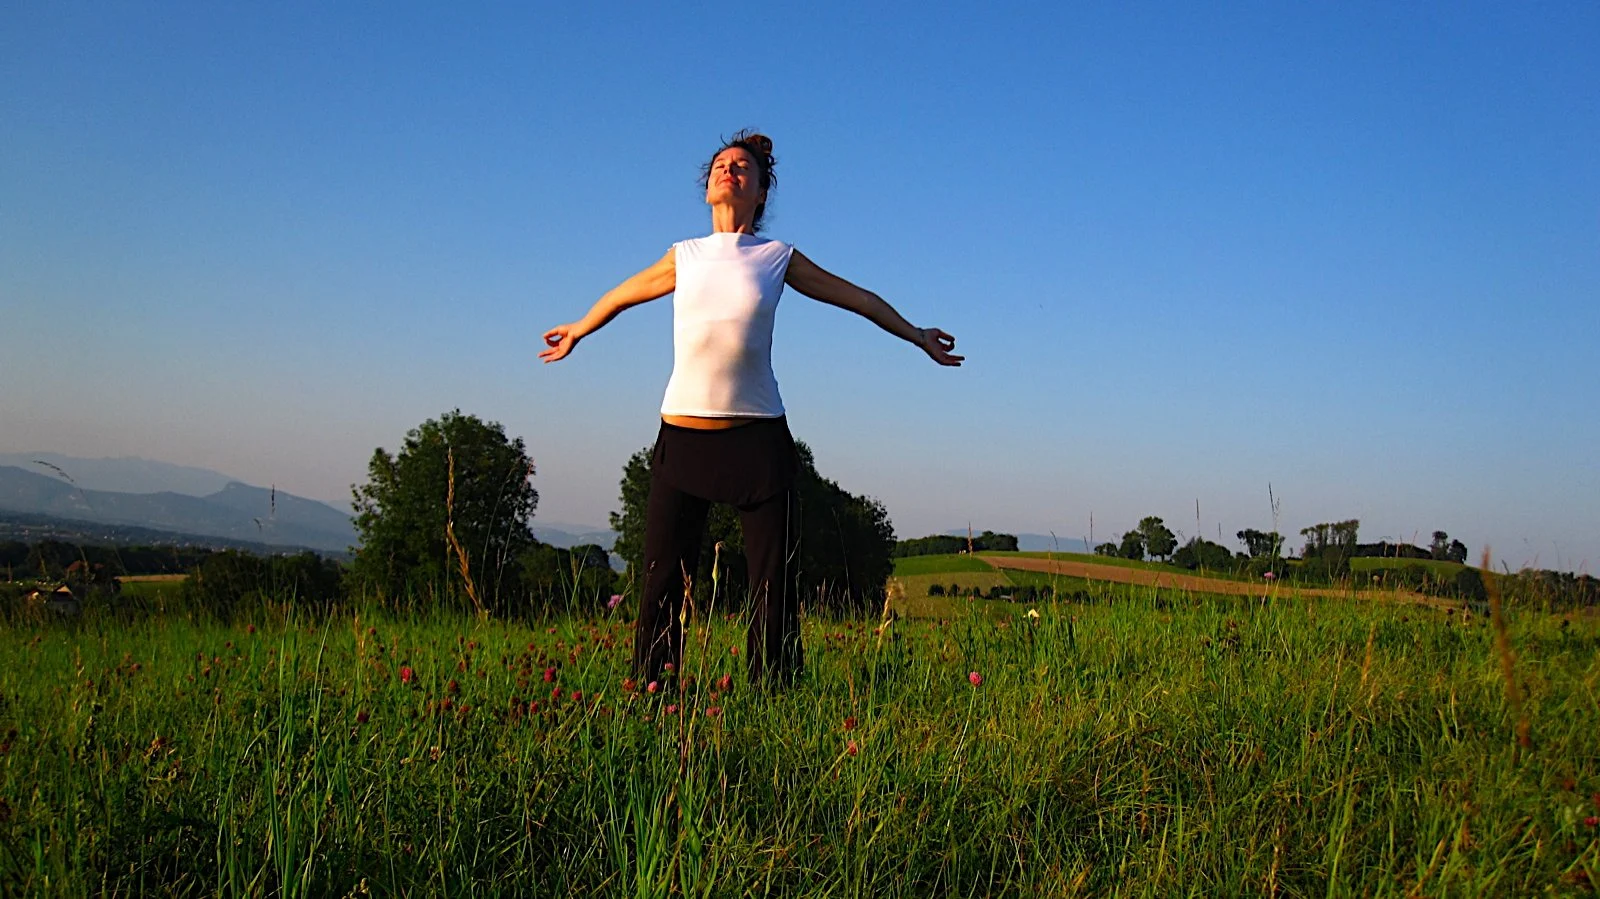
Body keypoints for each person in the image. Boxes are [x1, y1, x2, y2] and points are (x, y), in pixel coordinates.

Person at [540, 130, 962, 687]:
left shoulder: (775, 257)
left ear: (762, 192)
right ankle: (654, 690)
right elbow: (620, 296)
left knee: (773, 582)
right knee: (662, 577)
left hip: (758, 440)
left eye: (742, 166)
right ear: (708, 185)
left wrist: (916, 335)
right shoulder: (683, 256)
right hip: (682, 437)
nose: (728, 170)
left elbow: (856, 297)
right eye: (720, 164)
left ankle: (774, 690)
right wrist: (578, 329)